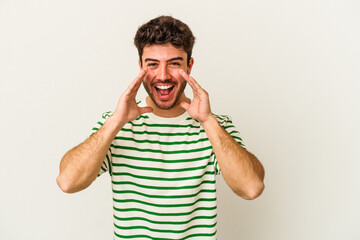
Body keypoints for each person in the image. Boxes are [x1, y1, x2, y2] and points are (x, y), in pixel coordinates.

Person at [56, 15, 265, 239]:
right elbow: (67, 182)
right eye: (152, 64)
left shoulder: (216, 127)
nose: (163, 75)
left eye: (174, 63)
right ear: (140, 66)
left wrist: (208, 121)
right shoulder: (116, 124)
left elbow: (251, 188)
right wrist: (115, 122)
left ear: (189, 65)